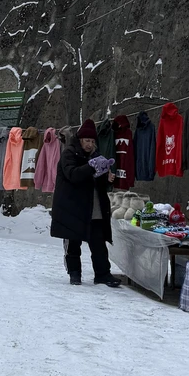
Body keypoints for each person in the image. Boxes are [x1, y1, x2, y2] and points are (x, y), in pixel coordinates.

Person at [50, 119, 122, 287]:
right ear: (80, 140)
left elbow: (96, 180)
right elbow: (72, 175)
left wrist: (106, 177)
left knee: (98, 241)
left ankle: (103, 274)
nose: (90, 144)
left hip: (93, 206)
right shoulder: (69, 153)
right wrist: (91, 167)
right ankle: (74, 273)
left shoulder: (96, 155)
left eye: (92, 141)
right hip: (72, 206)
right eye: (87, 140)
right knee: (73, 242)